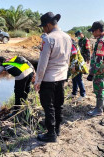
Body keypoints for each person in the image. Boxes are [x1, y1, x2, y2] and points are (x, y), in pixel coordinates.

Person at [34, 12, 72, 142]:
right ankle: (57, 130)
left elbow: (43, 63)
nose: (44, 29)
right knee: (58, 105)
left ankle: (51, 134)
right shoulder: (68, 37)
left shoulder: (48, 38)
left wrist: (37, 81)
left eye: (44, 27)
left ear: (48, 25)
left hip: (48, 79)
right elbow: (68, 59)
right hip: (61, 77)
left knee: (48, 106)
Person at [86, 21, 104, 116]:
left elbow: (98, 59)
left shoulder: (101, 42)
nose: (92, 33)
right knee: (103, 86)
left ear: (98, 30)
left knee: (99, 88)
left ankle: (98, 109)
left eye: (93, 31)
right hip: (103, 68)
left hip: (99, 69)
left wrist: (92, 73)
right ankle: (103, 106)